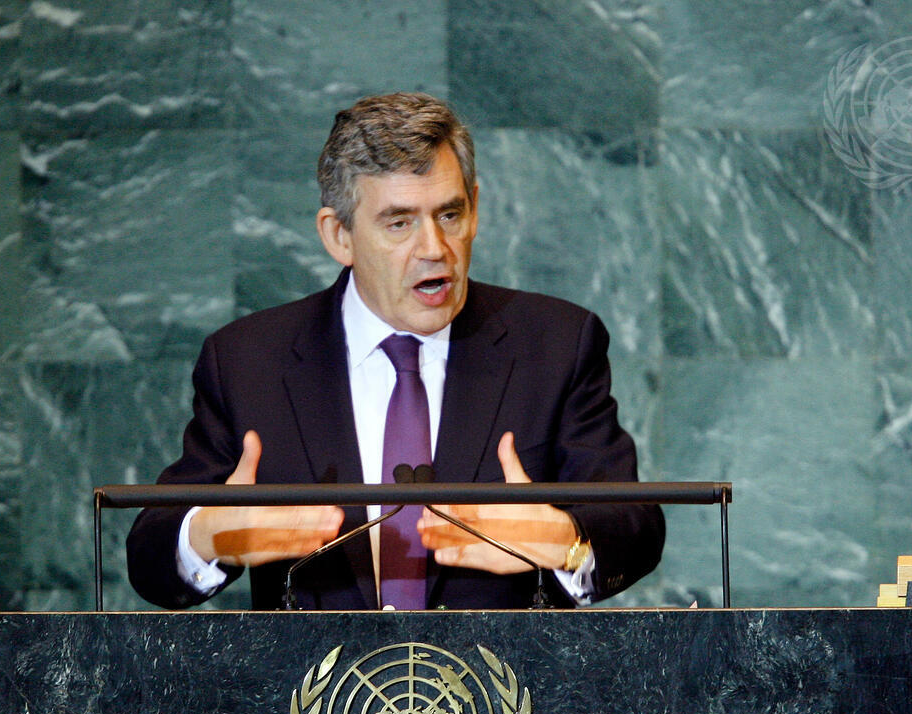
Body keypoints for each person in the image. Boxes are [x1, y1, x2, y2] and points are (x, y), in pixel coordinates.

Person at [126, 92, 664, 610]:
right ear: (338, 236)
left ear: (475, 209)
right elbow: (150, 553)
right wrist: (209, 536)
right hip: (316, 675)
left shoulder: (555, 343)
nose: (434, 248)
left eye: (449, 215)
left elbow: (634, 525)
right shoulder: (249, 361)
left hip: (504, 674)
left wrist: (566, 541)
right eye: (400, 223)